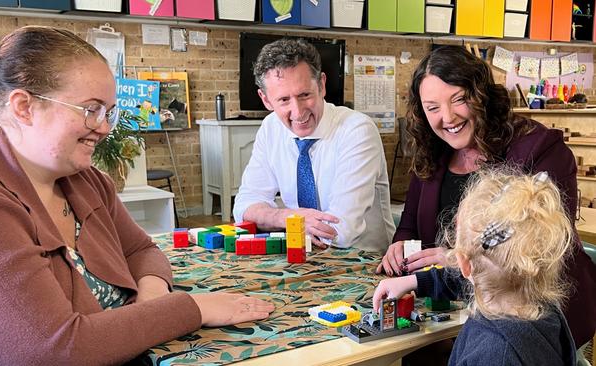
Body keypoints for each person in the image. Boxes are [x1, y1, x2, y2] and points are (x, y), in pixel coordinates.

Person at [0, 26, 274, 365]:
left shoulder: (84, 181)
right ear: (24, 107)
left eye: (108, 112)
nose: (104, 127)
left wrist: (153, 301)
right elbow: (50, 352)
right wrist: (191, 308)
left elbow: (140, 249)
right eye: (91, 109)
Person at [376, 45, 595, 348]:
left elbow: (541, 246)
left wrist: (457, 257)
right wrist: (400, 245)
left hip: (532, 320)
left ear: (481, 96)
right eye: (433, 108)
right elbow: (410, 224)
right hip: (453, 315)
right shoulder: (433, 153)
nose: (448, 117)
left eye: (459, 100)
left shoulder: (540, 149)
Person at [373, 170, 577, 366]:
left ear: (463, 263)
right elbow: (475, 275)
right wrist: (414, 282)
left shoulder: (496, 354)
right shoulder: (544, 308)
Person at [233, 38, 395, 251]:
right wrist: (288, 217)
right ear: (265, 100)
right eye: (283, 100)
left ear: (321, 85)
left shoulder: (357, 130)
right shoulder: (270, 128)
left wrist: (277, 220)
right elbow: (244, 207)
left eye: (305, 95)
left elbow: (340, 231)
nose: (298, 112)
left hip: (364, 263)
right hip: (304, 257)